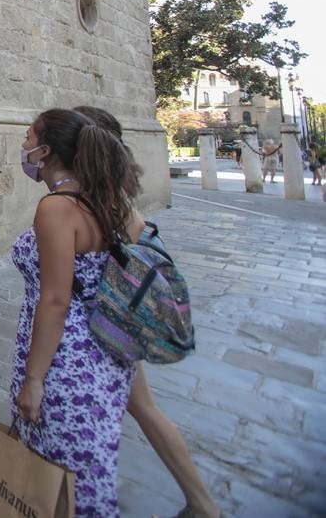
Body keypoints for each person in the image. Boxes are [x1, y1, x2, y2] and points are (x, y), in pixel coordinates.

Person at [73, 107, 220, 518]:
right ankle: (201, 501)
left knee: (117, 412)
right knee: (143, 406)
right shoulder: (111, 191)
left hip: (100, 324)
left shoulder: (97, 198)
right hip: (112, 320)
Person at [11, 108, 144, 516]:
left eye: (29, 137)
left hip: (66, 356)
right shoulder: (107, 200)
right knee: (86, 470)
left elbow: (55, 300)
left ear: (47, 151)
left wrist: (34, 379)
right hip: (106, 348)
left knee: (61, 470)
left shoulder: (57, 208)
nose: (23, 144)